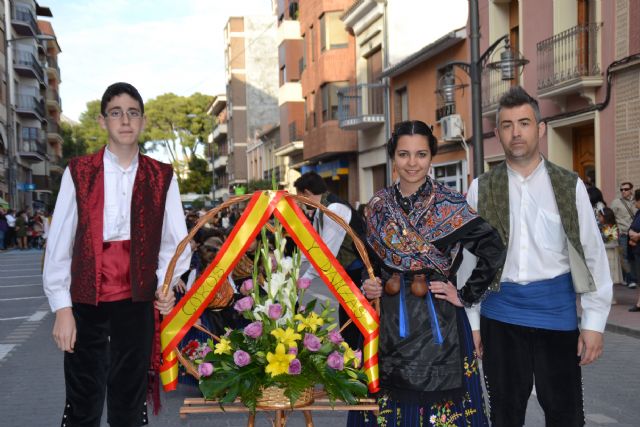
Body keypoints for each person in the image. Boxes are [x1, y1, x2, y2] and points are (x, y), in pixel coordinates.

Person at [43, 82, 191, 427]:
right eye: (116, 113)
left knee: (128, 402)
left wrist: (167, 284)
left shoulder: (162, 175)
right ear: (102, 121)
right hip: (86, 302)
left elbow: (175, 241)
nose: (125, 120)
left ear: (142, 120)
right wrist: (62, 309)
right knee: (83, 401)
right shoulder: (79, 171)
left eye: (132, 112)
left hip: (137, 301)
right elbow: (60, 243)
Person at [465, 86, 613, 427]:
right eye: (507, 125)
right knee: (504, 414)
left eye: (524, 123)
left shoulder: (568, 185)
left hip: (557, 317)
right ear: (498, 134)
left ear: (540, 128)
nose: (516, 132)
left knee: (566, 415)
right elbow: (469, 264)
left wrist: (593, 323)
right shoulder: (481, 189)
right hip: (499, 318)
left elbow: (592, 255)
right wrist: (472, 323)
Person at [350, 120, 505, 426]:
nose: (412, 163)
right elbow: (364, 262)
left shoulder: (451, 203)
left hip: (440, 317)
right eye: (404, 154)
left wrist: (465, 295)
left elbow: (493, 246)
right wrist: (370, 284)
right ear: (393, 156)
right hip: (388, 316)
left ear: (431, 157)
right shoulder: (376, 207)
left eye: (421, 154)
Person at [294, 171, 366, 351]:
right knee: (347, 319)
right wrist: (294, 268)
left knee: (354, 321)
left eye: (300, 196)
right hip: (348, 271)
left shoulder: (334, 209)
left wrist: (306, 280)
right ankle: (351, 357)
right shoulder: (322, 210)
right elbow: (313, 246)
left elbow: (326, 253)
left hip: (359, 271)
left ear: (307, 193)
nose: (300, 202)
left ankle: (356, 360)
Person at [611, 182, 638, 288]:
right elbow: (610, 218)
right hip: (623, 233)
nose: (623, 191)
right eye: (621, 190)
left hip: (636, 234)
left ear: (631, 190)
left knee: (635, 256)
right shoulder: (616, 202)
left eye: (626, 189)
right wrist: (611, 237)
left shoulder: (636, 201)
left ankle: (635, 277)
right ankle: (630, 279)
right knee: (624, 256)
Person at [626, 189, 640, 312]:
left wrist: (637, 236)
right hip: (637, 248)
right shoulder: (638, 213)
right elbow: (632, 227)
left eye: (635, 199)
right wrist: (631, 235)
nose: (634, 202)